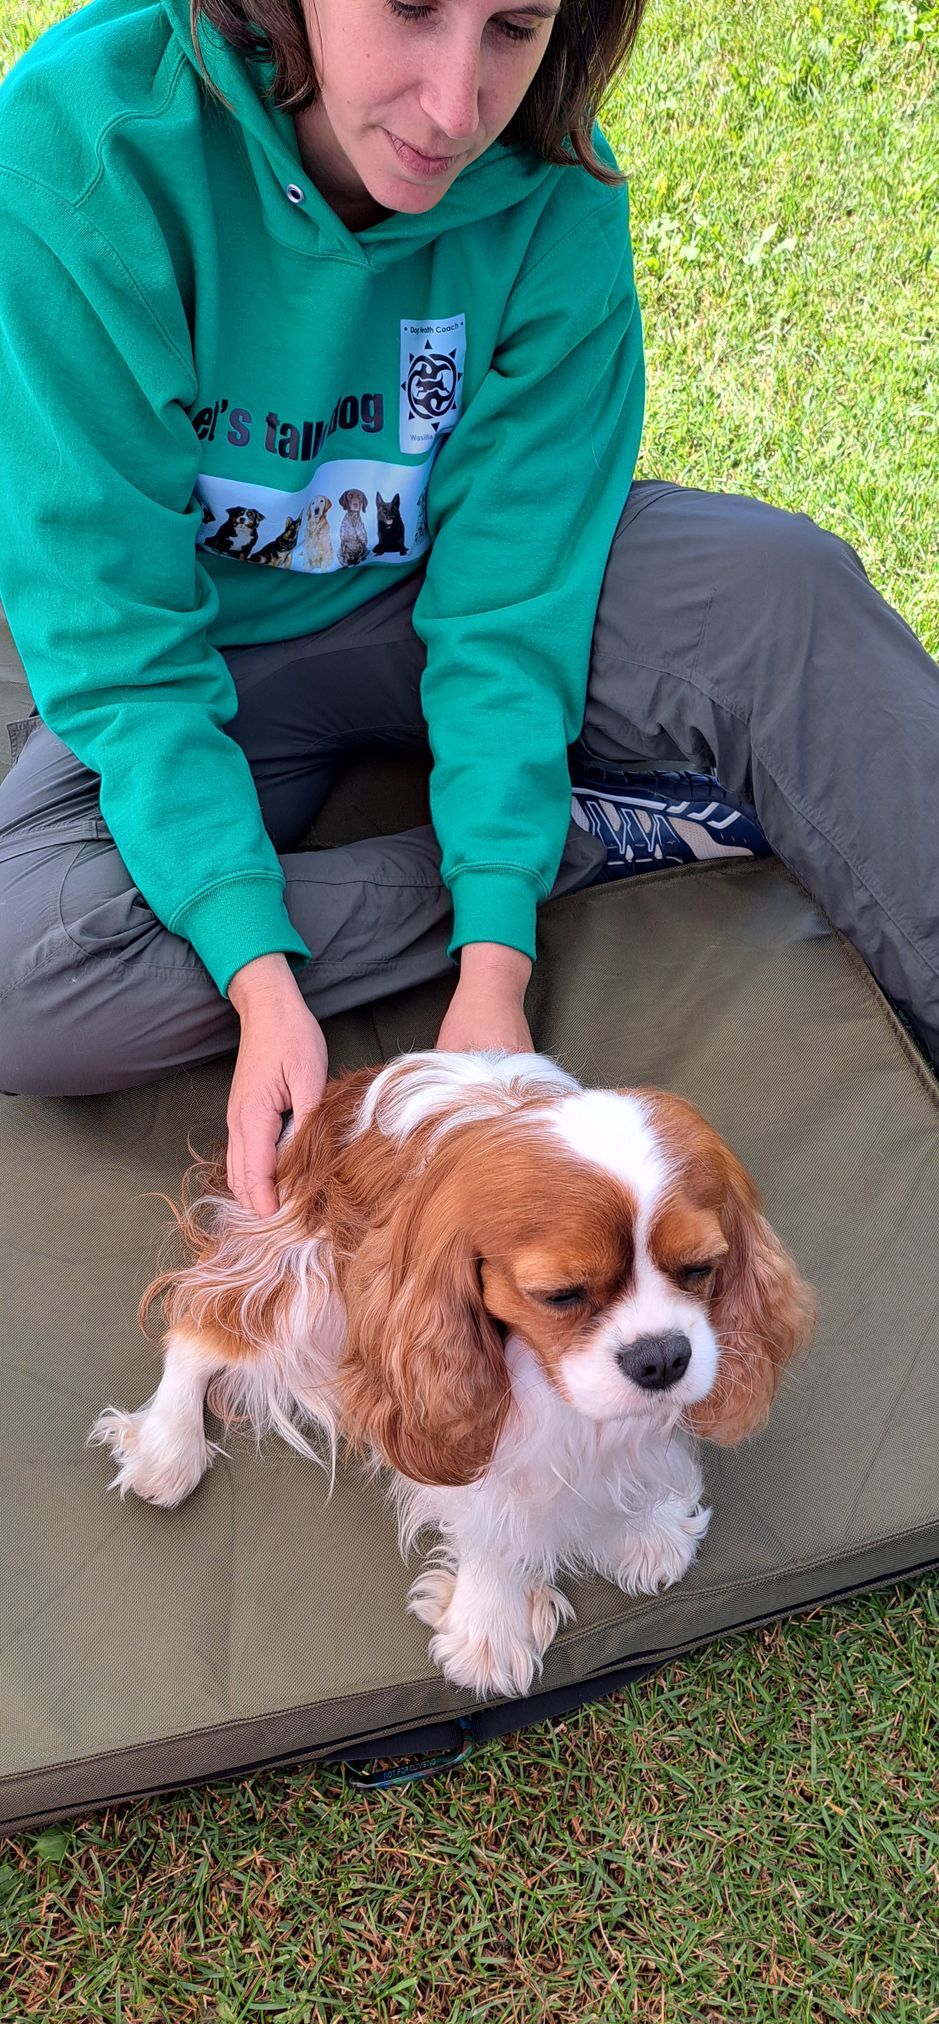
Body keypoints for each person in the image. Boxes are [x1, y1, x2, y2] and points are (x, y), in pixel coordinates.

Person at [0, 0, 936, 1222]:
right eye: (412, 10)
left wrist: (495, 970)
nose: (456, 106)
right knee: (29, 980)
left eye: (513, 26)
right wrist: (257, 973)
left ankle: (539, 840)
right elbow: (121, 647)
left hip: (441, 592)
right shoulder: (82, 149)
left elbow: (508, 598)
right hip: (204, 652)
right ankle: (602, 831)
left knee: (779, 593)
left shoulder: (554, 186)